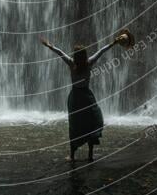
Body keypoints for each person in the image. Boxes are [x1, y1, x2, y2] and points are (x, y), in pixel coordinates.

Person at [40, 35, 123, 164]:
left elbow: (59, 53)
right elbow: (101, 51)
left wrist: (49, 45)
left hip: (75, 98)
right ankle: (90, 155)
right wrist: (114, 43)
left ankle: (72, 155)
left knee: (74, 126)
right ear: (84, 56)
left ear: (75, 55)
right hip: (87, 97)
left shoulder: (71, 63)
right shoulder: (89, 63)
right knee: (90, 124)